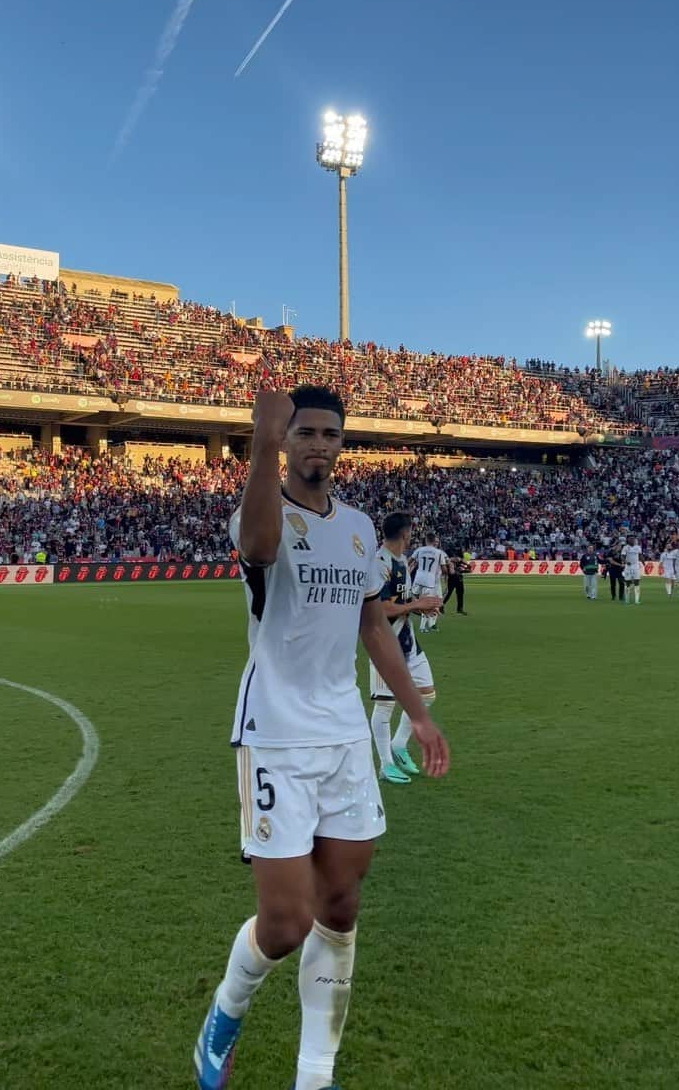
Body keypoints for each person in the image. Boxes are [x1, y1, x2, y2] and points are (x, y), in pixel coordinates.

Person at [194, 386, 449, 1090]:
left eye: (328, 434)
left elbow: (372, 626)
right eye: (304, 432)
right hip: (275, 733)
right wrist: (262, 445)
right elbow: (258, 545)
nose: (317, 444)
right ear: (288, 437)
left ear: (341, 442)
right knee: (285, 923)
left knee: (340, 907)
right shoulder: (263, 509)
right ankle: (224, 1013)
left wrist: (417, 714)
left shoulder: (362, 527)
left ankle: (315, 1076)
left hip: (343, 739)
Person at [368, 511, 443, 785]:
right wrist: (415, 606)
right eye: (411, 531)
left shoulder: (400, 560)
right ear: (405, 533)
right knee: (385, 706)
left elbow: (401, 599)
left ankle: (399, 746)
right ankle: (385, 765)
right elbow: (380, 608)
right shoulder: (379, 563)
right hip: (384, 643)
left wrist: (421, 608)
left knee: (426, 694)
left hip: (408, 642)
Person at [411, 533, 449, 631]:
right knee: (427, 602)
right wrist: (447, 573)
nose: (436, 543)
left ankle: (432, 624)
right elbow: (445, 567)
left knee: (437, 604)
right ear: (433, 541)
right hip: (430, 582)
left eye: (438, 541)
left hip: (435, 582)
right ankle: (422, 626)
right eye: (435, 541)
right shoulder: (438, 553)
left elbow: (448, 561)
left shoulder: (440, 552)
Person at [443, 550, 471, 615]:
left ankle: (460, 609)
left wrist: (467, 567)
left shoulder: (458, 560)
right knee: (448, 593)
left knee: (460, 593)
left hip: (459, 578)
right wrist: (464, 570)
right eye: (456, 557)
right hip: (452, 578)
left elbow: (463, 563)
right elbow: (451, 572)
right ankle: (441, 606)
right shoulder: (449, 561)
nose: (457, 558)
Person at [621, 533, 642, 605]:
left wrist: (643, 562)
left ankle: (637, 600)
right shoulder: (625, 547)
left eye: (633, 539)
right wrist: (626, 562)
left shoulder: (638, 547)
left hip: (636, 566)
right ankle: (627, 600)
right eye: (631, 539)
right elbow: (622, 556)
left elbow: (640, 555)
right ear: (628, 540)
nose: (632, 540)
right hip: (628, 566)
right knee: (627, 582)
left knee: (637, 582)